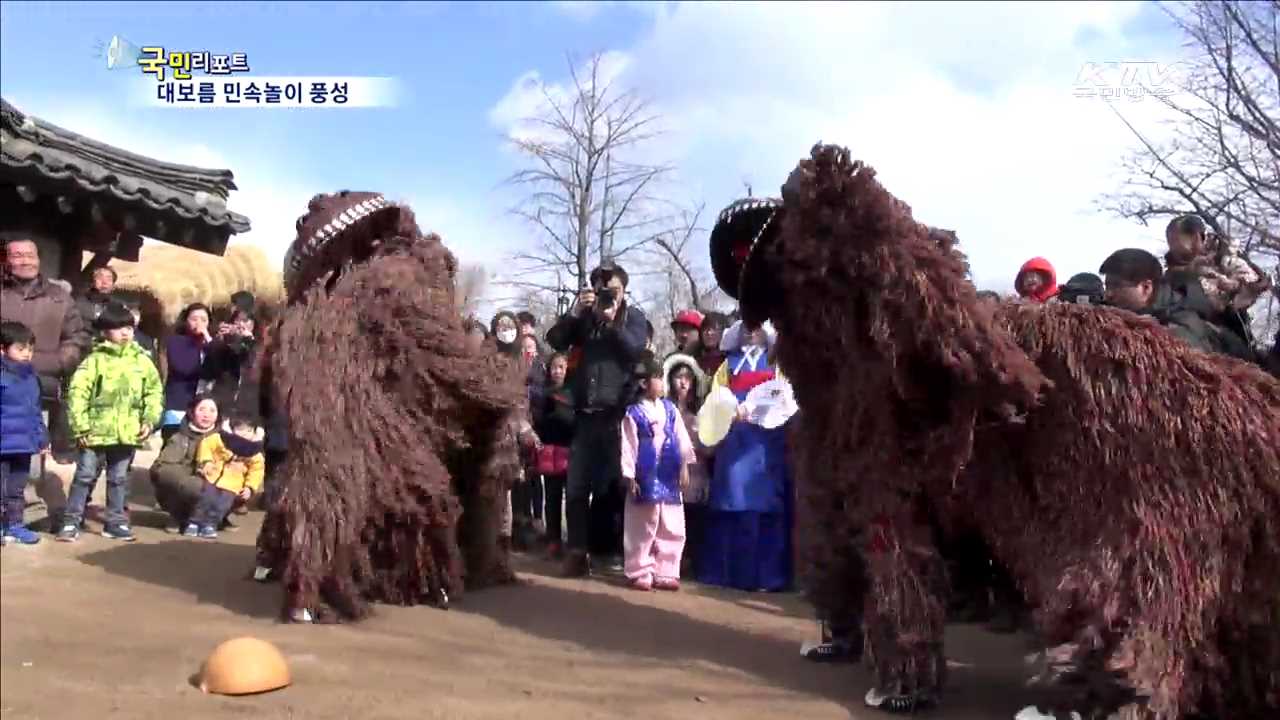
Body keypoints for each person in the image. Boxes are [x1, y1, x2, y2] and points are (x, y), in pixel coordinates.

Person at [546, 262, 649, 577]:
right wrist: (577, 312)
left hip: (617, 414)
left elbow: (635, 351)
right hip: (585, 416)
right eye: (600, 289)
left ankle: (616, 551)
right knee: (576, 486)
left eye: (613, 290)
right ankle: (577, 552)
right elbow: (555, 340)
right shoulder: (584, 319)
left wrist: (612, 323)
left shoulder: (634, 318)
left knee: (617, 485)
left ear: (624, 290)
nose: (606, 296)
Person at [697, 320, 793, 592]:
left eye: (756, 328)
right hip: (735, 438)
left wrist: (762, 410)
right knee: (730, 499)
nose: (751, 333)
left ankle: (767, 577)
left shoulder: (776, 363)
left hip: (766, 441)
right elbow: (716, 398)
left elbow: (787, 397)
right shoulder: (728, 365)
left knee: (766, 503)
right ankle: (728, 573)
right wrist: (730, 411)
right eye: (747, 328)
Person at [56, 302, 163, 542]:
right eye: (118, 328)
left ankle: (115, 522)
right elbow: (78, 393)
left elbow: (154, 392)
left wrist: (148, 419)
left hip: (127, 432)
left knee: (119, 479)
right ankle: (72, 520)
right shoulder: (94, 360)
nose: (125, 333)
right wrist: (80, 425)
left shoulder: (142, 361)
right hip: (93, 431)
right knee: (84, 476)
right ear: (105, 332)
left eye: (128, 328)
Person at [1, 235, 90, 462]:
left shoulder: (59, 297)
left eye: (31, 255)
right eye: (18, 256)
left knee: (30, 449)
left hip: (44, 383)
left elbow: (78, 336)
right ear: (6, 260)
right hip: (3, 382)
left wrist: (60, 362)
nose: (26, 261)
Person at [620, 356, 696, 591]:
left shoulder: (670, 409)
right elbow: (628, 445)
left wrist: (684, 464)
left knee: (671, 522)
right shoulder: (633, 413)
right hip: (645, 473)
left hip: (669, 473)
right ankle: (640, 569)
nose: (663, 384)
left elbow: (682, 438)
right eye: (657, 379)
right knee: (642, 522)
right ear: (644, 383)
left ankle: (667, 569)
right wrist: (630, 475)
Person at [1100, 248, 1255, 361]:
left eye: (1116, 286)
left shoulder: (1180, 331)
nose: (1108, 294)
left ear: (1146, 287)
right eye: (1107, 286)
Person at [1164, 214, 1271, 344]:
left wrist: (1237, 288)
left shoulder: (1225, 261)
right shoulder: (1173, 281)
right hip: (1212, 344)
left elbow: (1252, 285)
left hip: (1241, 337)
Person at [1, 321, 49, 545]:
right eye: (20, 349)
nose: (27, 354)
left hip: (23, 444)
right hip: (3, 444)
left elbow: (35, 411)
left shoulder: (31, 377)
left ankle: (15, 526)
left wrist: (41, 438)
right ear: (3, 348)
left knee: (17, 489)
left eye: (30, 348)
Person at [664, 353, 710, 575]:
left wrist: (704, 439)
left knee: (692, 520)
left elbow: (710, 449)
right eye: (678, 377)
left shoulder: (701, 414)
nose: (683, 382)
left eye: (688, 378)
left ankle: (690, 561)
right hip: (667, 476)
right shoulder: (662, 410)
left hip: (695, 476)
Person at [187, 413, 265, 539]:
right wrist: (206, 462)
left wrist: (250, 487)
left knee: (222, 505)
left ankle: (210, 524)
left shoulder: (255, 452)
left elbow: (257, 471)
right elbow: (206, 445)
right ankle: (194, 522)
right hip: (212, 476)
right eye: (240, 431)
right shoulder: (220, 439)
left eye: (249, 431)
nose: (244, 434)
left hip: (233, 484)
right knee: (205, 499)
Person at [150, 394, 220, 532]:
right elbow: (161, 468)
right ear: (192, 412)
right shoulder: (179, 437)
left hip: (217, 482)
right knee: (182, 484)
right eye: (202, 410)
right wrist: (191, 482)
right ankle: (178, 515)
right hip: (187, 485)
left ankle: (217, 517)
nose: (207, 415)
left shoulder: (225, 440)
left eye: (212, 410)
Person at [533, 352, 574, 557]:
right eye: (554, 367)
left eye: (561, 367)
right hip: (550, 451)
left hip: (571, 451)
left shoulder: (574, 392)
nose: (557, 371)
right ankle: (553, 540)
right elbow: (538, 422)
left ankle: (573, 541)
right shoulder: (544, 394)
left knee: (573, 497)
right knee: (552, 497)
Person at [159, 303, 214, 443]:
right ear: (186, 321)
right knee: (174, 446)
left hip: (203, 405)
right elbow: (183, 367)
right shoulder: (176, 341)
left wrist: (208, 341)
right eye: (194, 319)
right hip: (178, 403)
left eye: (203, 319)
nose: (199, 323)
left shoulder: (212, 343)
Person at [75, 265, 117, 330]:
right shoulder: (79, 304)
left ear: (113, 285)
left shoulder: (118, 306)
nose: (105, 282)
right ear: (92, 281)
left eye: (109, 279)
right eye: (100, 278)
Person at [696, 312, 729, 376]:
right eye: (705, 329)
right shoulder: (695, 362)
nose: (709, 333)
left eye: (714, 329)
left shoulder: (729, 359)